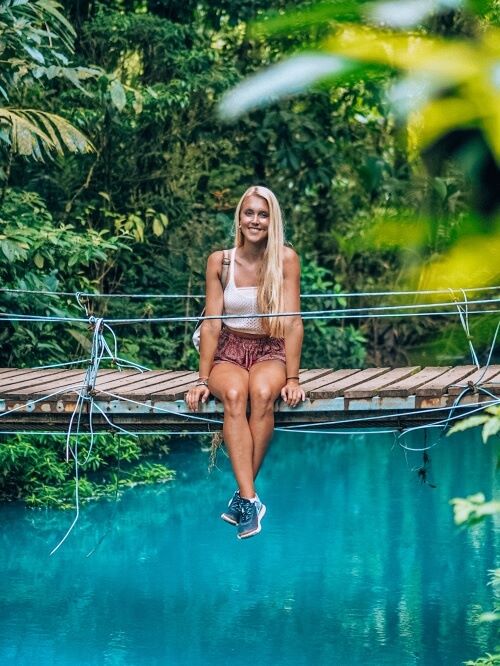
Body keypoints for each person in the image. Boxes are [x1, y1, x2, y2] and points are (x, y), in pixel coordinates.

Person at [185, 185, 305, 539]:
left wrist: (294, 379)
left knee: (264, 391)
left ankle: (242, 497)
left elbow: (293, 321)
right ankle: (251, 499)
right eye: (249, 213)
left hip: (271, 348)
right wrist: (203, 379)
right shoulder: (219, 262)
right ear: (239, 218)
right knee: (236, 395)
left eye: (263, 214)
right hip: (229, 350)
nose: (255, 220)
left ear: (272, 220)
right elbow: (211, 324)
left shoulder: (285, 259)